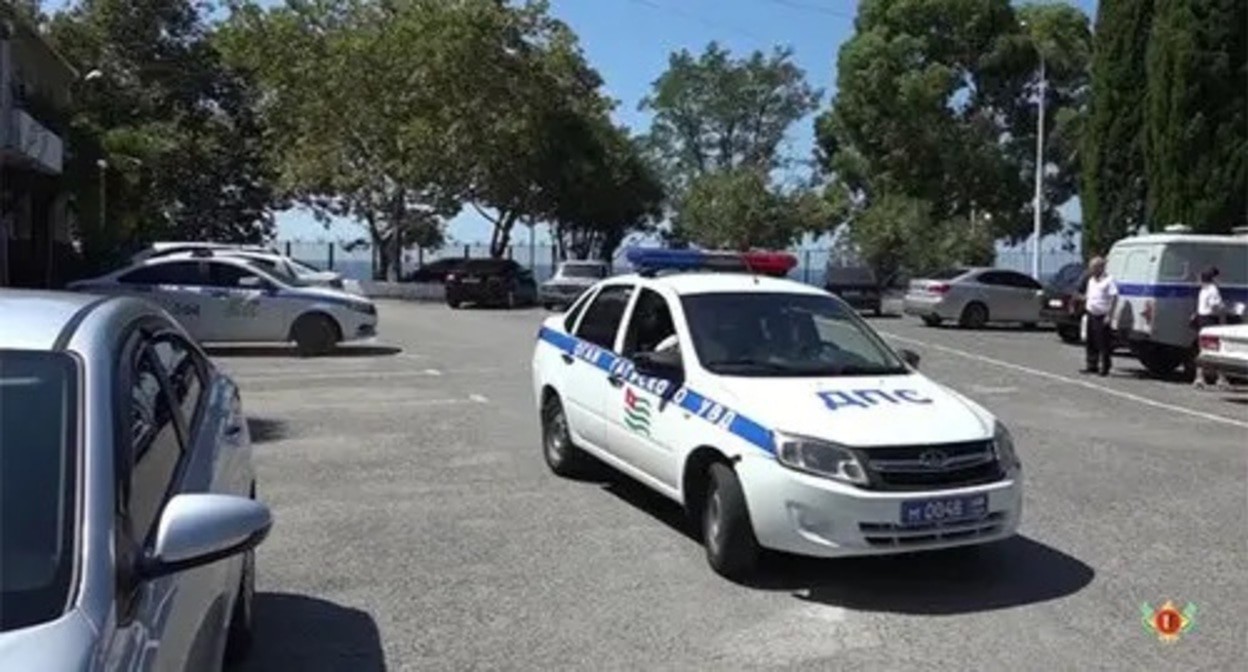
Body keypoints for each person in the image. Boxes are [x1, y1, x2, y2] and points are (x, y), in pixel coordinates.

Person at [1080, 256, 1118, 376]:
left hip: (1102, 314)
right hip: (1091, 313)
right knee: (1090, 341)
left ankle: (1105, 367)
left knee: (1103, 342)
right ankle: (1092, 365)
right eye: (1091, 267)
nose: (1091, 270)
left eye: (1093, 267)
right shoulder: (1091, 280)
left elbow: (1114, 297)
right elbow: (1090, 295)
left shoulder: (1109, 280)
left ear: (1100, 268)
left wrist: (1109, 315)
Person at [1193, 267, 1228, 389]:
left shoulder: (1203, 289)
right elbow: (1214, 306)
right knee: (1218, 350)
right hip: (1211, 320)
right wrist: (1223, 309)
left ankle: (1199, 377)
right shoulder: (1213, 289)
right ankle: (1221, 378)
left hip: (1202, 320)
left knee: (1203, 349)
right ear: (1214, 278)